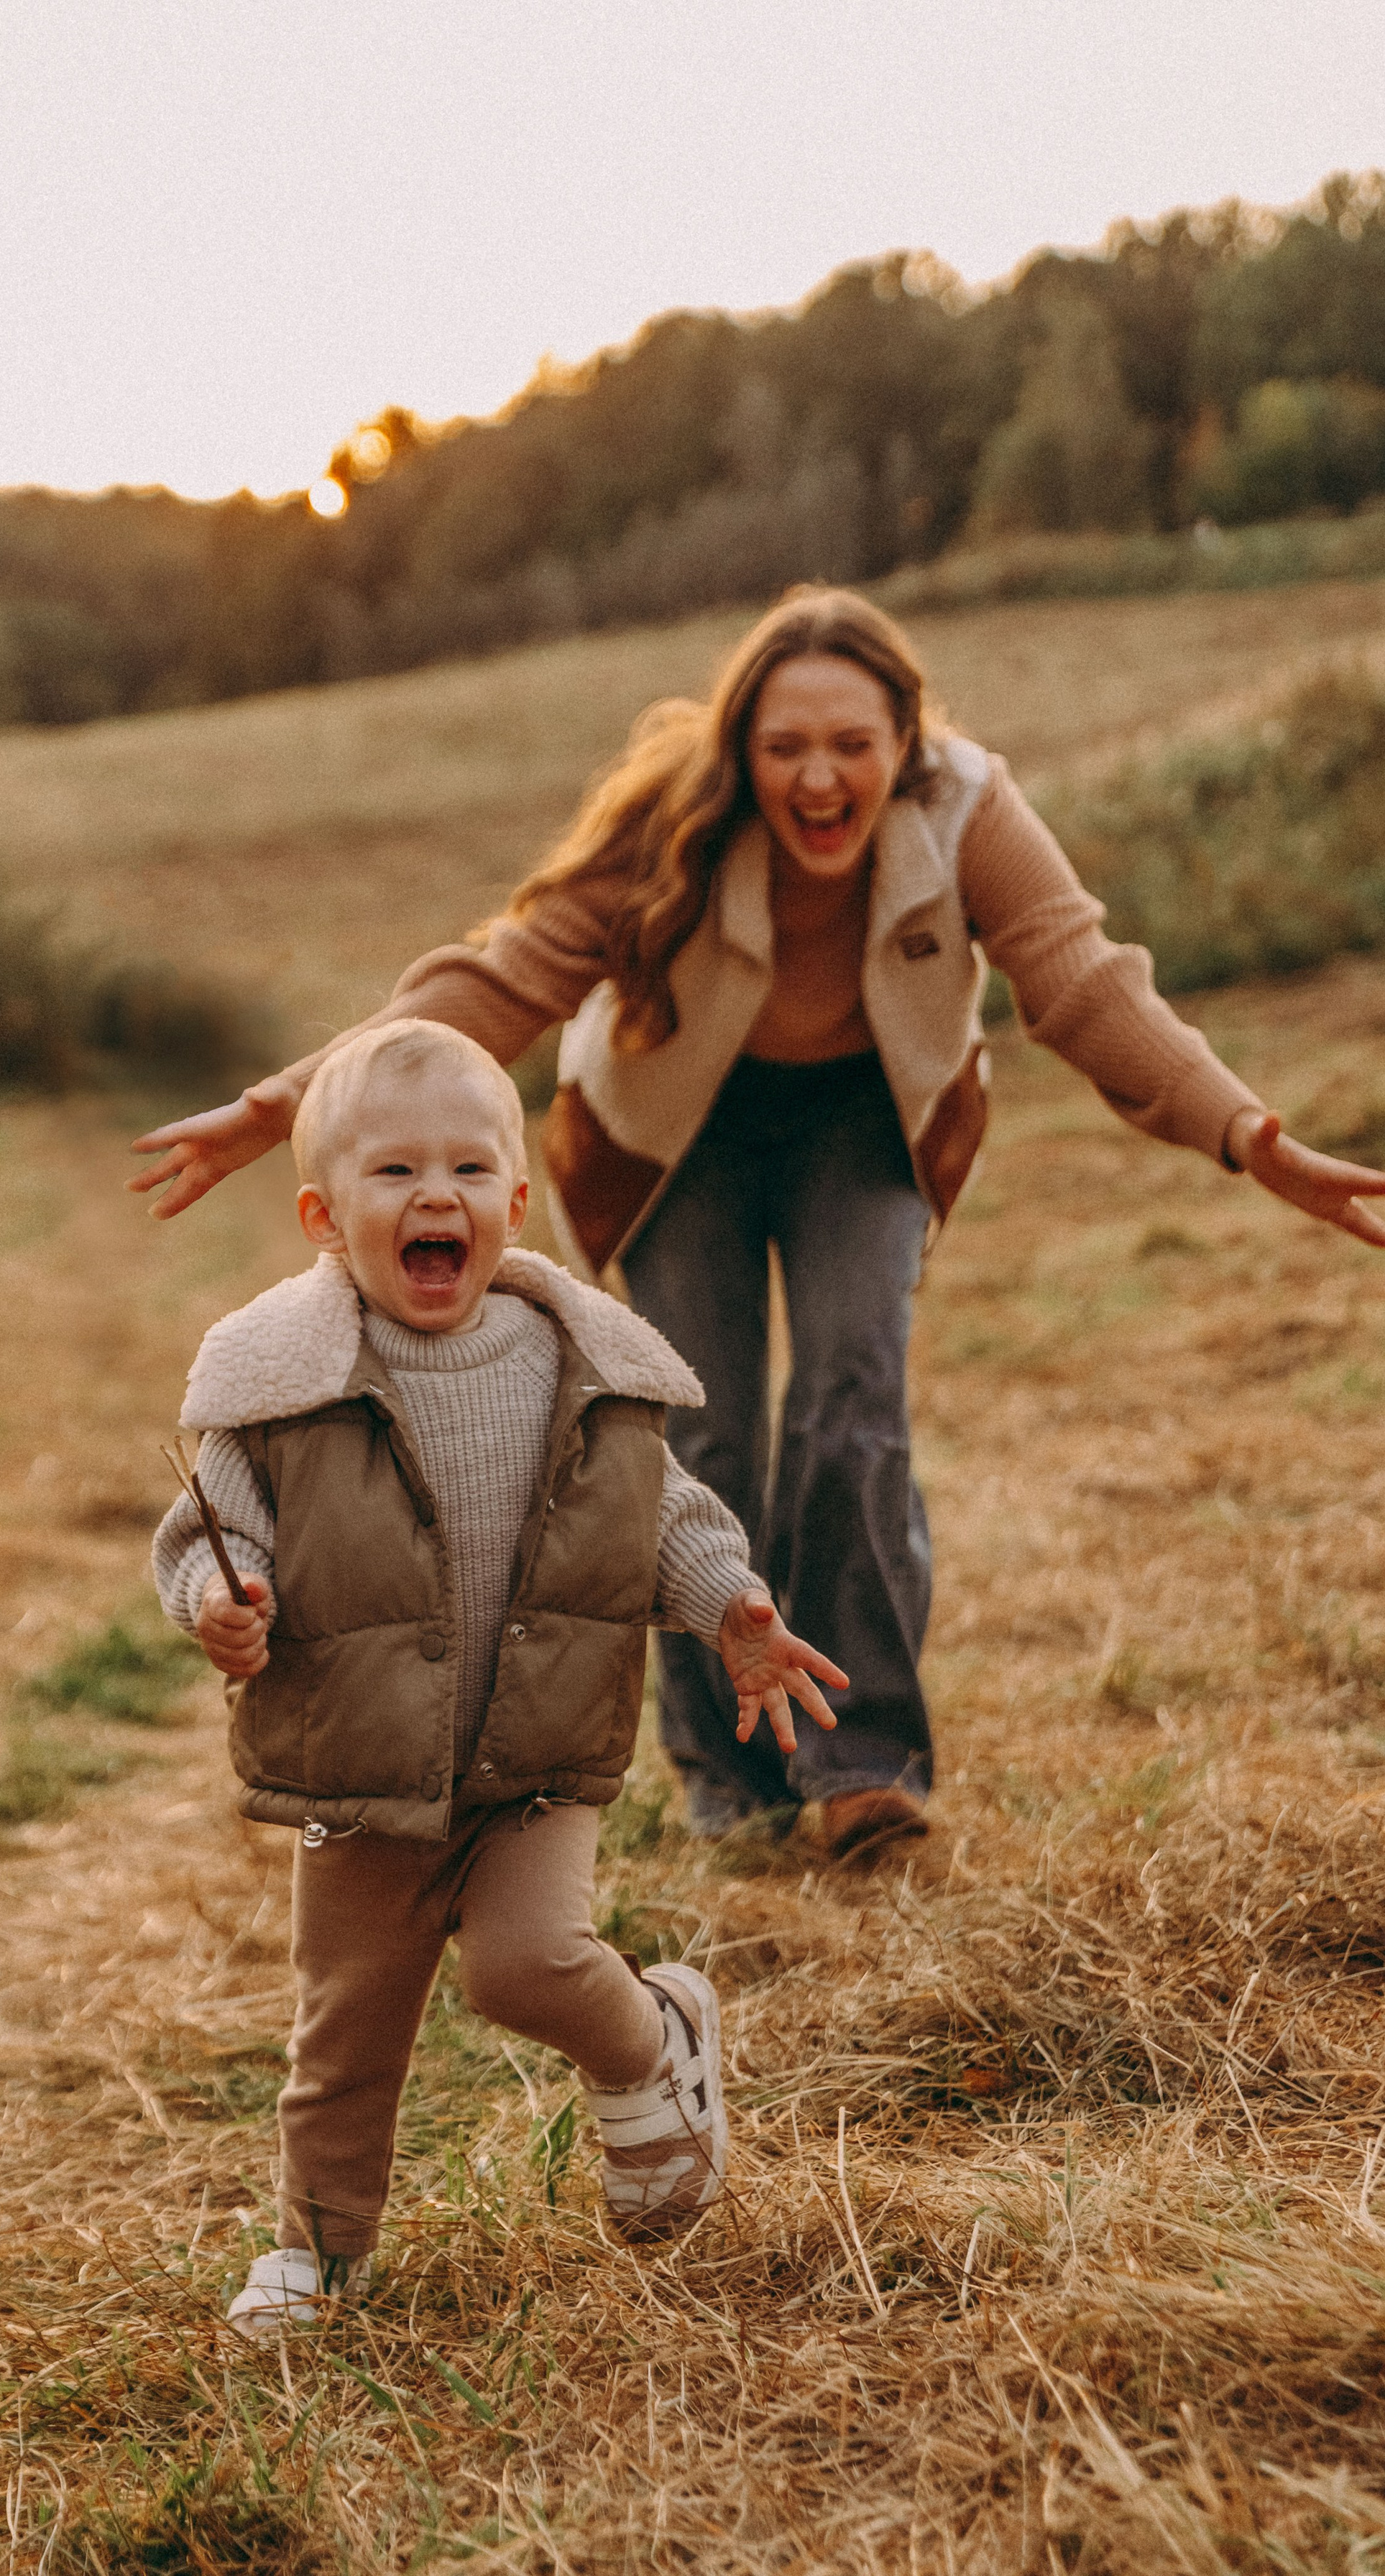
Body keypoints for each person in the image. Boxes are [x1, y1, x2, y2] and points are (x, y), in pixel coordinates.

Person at [135, 588, 1385, 1860]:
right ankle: (729, 1779)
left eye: (852, 743)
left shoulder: (967, 809)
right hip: (679, 1132)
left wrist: (1248, 1134)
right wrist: (287, 1103)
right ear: (742, 749)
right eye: (786, 746)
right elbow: (500, 981)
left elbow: (1082, 979)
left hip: (867, 1119)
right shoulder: (675, 817)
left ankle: (865, 1760)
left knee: (853, 1401)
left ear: (907, 741)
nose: (819, 776)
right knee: (696, 1435)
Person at [152, 1021, 846, 2333]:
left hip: (536, 1757)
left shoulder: (575, 1365)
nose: (438, 1195)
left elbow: (658, 1514)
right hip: (360, 1773)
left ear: (515, 1205)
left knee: (524, 1965)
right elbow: (211, 1528)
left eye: (470, 1169)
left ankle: (652, 2043)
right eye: (395, 1171)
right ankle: (320, 2252)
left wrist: (731, 1605)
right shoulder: (287, 1384)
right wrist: (218, 1603)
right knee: (345, 2027)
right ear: (323, 1217)